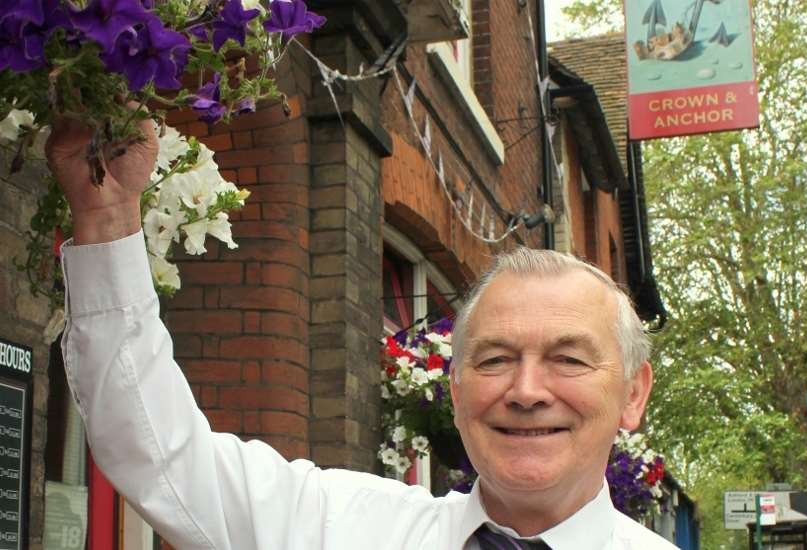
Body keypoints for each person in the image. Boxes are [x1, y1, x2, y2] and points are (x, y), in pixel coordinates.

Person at [47, 116, 677, 549]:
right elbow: (161, 457)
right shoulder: (337, 525)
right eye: (493, 360)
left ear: (632, 394)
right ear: (454, 389)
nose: (527, 389)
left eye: (568, 358)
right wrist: (106, 214)